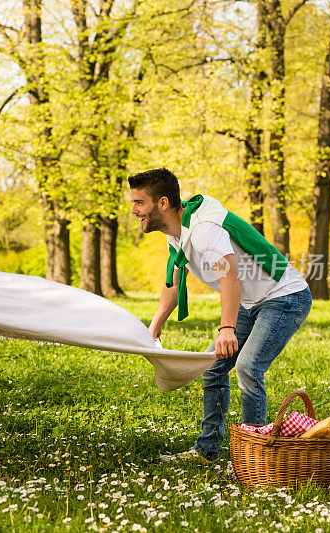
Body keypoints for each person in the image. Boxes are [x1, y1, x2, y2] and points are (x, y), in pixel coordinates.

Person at [129, 168, 312, 462]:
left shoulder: (205, 230)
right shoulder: (176, 234)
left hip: (285, 297)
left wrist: (227, 328)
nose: (134, 210)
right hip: (252, 302)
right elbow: (174, 282)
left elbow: (230, 277)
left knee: (248, 367)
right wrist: (154, 327)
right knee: (213, 368)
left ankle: (253, 456)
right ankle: (207, 451)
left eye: (139, 203)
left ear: (162, 204)